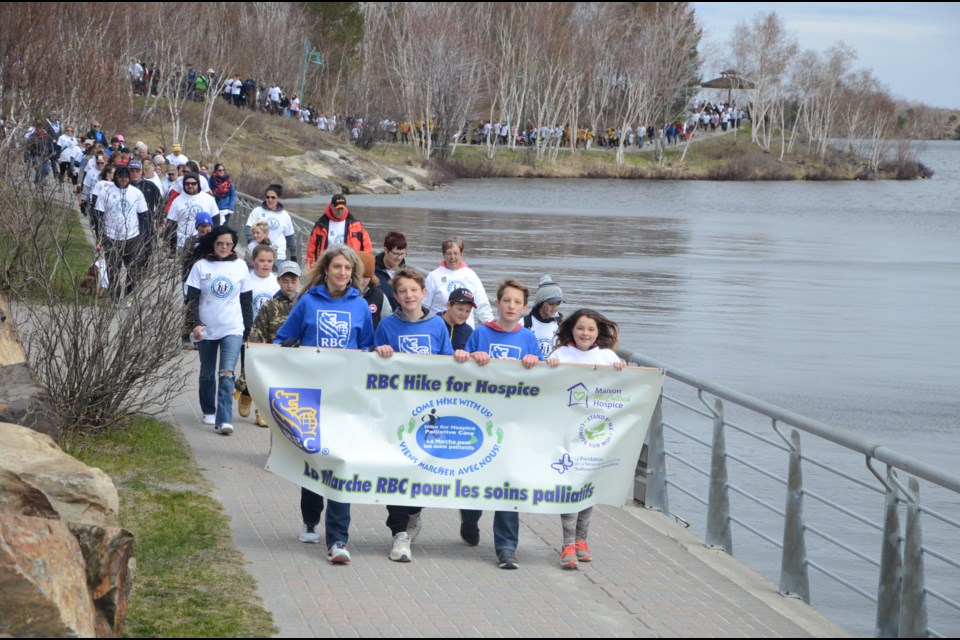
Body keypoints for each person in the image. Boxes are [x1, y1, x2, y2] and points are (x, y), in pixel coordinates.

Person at [273, 246, 374, 564]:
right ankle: (310, 518)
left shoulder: (359, 306)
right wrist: (287, 352)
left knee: (340, 465)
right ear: (326, 270)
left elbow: (367, 348)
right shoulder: (308, 301)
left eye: (348, 268)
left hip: (344, 399)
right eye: (337, 267)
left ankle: (339, 540)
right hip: (311, 397)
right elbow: (281, 339)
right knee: (316, 462)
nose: (342, 272)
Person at [453, 278, 542, 570]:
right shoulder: (480, 333)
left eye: (518, 302)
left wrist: (536, 362)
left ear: (525, 307)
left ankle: (506, 547)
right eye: (507, 301)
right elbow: (463, 369)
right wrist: (469, 356)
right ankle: (469, 517)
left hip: (513, 422)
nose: (512, 306)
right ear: (498, 303)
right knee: (477, 480)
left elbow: (542, 381)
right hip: (481, 418)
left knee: (508, 485)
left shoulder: (528, 338)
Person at [373, 267, 454, 563]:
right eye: (402, 290)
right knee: (396, 470)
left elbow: (448, 366)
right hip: (396, 411)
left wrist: (457, 358)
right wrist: (376, 351)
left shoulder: (437, 326)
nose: (409, 295)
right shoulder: (386, 326)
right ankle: (399, 534)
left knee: (421, 470)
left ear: (423, 293)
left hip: (428, 413)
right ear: (395, 295)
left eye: (414, 290)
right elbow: (372, 365)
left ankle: (414, 513)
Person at [545, 309, 625, 569]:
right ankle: (567, 542)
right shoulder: (560, 355)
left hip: (593, 432)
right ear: (572, 329)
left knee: (588, 485)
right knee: (570, 485)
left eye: (590, 329)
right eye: (581, 328)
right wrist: (549, 368)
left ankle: (582, 540)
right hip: (565, 431)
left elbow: (622, 386)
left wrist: (622, 370)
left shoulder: (607, 356)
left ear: (598, 332)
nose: (585, 334)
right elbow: (545, 385)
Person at [185, 227, 252, 435]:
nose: (224, 247)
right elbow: (191, 300)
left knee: (227, 373)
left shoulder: (240, 266)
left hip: (232, 328)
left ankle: (224, 419)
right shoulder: (200, 266)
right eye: (220, 244)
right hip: (206, 328)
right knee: (207, 372)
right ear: (213, 244)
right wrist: (194, 324)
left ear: (233, 246)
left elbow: (246, 301)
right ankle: (208, 410)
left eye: (228, 244)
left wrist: (247, 331)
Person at [236, 260, 302, 427]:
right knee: (267, 384)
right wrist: (257, 351)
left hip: (296, 356)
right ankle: (256, 405)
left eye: (293, 281)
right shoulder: (270, 306)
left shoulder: (304, 305)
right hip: (272, 353)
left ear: (299, 281)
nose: (289, 285)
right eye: (285, 281)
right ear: (278, 280)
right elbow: (258, 332)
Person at [93, 166, 147, 305]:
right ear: (116, 177)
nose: (124, 180)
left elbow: (144, 216)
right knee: (112, 269)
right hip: (111, 236)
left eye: (126, 177)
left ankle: (129, 296)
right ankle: (115, 296)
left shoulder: (136, 193)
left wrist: (143, 236)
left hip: (132, 236)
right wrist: (99, 238)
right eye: (121, 177)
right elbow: (98, 215)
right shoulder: (106, 192)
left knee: (134, 269)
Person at [424, 235, 493, 328]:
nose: (452, 257)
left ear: (461, 254)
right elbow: (424, 306)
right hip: (439, 329)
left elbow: (482, 307)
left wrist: (491, 330)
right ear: (444, 255)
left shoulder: (471, 275)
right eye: (449, 254)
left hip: (465, 331)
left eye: (456, 253)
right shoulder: (433, 276)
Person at [305, 194, 372, 269]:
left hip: (350, 267)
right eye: (337, 209)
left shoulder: (356, 225)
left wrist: (366, 268)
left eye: (342, 209)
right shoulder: (320, 225)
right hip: (326, 266)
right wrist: (310, 267)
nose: (339, 212)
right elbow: (311, 248)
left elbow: (367, 247)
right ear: (331, 206)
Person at [164, 172, 219, 254]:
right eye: (187, 183)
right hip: (182, 244)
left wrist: (214, 238)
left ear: (198, 184)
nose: (190, 185)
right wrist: (169, 242)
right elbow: (171, 223)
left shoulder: (208, 199)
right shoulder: (177, 201)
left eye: (193, 183)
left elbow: (216, 219)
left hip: (205, 242)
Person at [244, 184, 297, 263]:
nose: (270, 200)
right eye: (267, 197)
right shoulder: (257, 211)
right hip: (259, 253)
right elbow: (248, 228)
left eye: (273, 197)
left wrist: (293, 255)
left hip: (278, 255)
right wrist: (253, 243)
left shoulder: (285, 215)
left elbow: (290, 237)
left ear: (278, 198)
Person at [524, 275, 565, 358]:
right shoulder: (525, 323)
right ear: (540, 303)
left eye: (558, 304)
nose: (554, 308)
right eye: (551, 304)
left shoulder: (561, 326)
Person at [374, 231, 408, 312]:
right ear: (386, 250)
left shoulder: (406, 273)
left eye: (402, 253)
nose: (399, 258)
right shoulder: (373, 271)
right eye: (396, 253)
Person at [358, 252, 391, 331]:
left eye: (366, 277)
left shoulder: (380, 297)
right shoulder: (341, 294)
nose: (362, 281)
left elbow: (389, 325)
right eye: (359, 276)